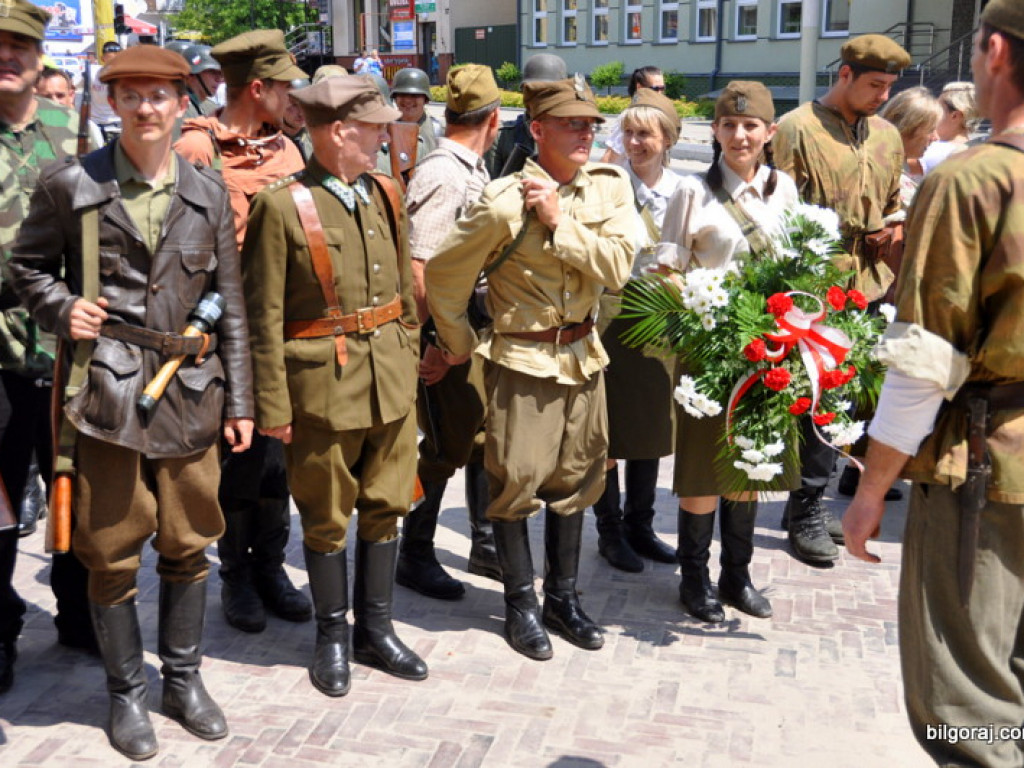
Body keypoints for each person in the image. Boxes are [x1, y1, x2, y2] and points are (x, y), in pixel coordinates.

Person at [9, 44, 253, 760]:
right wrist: (61, 307)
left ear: (183, 104)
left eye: (160, 96)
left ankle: (182, 679)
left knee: (188, 540)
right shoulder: (70, 184)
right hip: (106, 395)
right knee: (112, 551)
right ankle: (127, 697)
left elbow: (231, 303)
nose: (147, 109)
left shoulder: (208, 191)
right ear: (114, 105)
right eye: (133, 96)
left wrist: (244, 400)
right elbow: (27, 267)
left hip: (191, 393)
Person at [843, 3, 1024, 765]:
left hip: (991, 465)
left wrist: (870, 487)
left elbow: (926, 358)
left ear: (992, 52)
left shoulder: (975, 180)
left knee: (971, 708)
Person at [426, 75, 635, 660]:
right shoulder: (502, 201)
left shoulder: (610, 189)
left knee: (577, 483)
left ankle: (562, 600)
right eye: (571, 124)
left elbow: (619, 267)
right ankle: (520, 604)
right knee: (515, 483)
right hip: (522, 359)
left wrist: (560, 224)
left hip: (584, 358)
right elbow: (444, 276)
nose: (585, 134)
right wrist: (460, 344)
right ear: (537, 129)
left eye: (591, 124)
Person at [242, 75, 428, 696]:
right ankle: (332, 636)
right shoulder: (281, 205)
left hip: (391, 384)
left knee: (387, 506)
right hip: (322, 388)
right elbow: (262, 315)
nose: (385, 136)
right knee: (325, 519)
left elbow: (403, 291)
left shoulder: (385, 192)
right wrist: (272, 403)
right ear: (340, 130)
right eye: (374, 127)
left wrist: (407, 356)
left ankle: (377, 629)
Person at [175, 30, 312, 635]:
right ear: (257, 88)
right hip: (226, 332)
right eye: (284, 87)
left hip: (286, 331)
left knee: (277, 460)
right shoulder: (198, 150)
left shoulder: (288, 151)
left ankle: (271, 566)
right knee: (239, 460)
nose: (291, 98)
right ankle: (236, 575)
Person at [657, 82, 800, 622]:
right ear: (714, 131)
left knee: (748, 467)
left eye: (750, 126)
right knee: (701, 472)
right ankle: (693, 579)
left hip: (767, 354)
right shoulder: (692, 192)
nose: (739, 135)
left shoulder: (785, 190)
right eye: (728, 125)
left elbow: (798, 265)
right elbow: (668, 271)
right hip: (709, 353)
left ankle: (736, 577)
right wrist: (702, 315)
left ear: (769, 133)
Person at [772, 34, 910, 565]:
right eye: (874, 85)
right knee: (813, 398)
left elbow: (893, 204)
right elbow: (780, 211)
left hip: (870, 285)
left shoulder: (888, 136)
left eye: (889, 87)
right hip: (815, 285)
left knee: (848, 403)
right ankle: (803, 508)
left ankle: (812, 500)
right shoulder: (796, 129)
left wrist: (893, 239)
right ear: (846, 74)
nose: (882, 96)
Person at [0, 0, 96, 695]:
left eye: (20, 48)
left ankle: (76, 611)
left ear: (39, 59)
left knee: (75, 487)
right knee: (0, 505)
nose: (8, 58)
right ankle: (0, 630)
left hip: (66, 352)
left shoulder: (70, 133)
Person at [397, 64, 503, 600]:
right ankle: (413, 551)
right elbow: (422, 269)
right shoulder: (447, 173)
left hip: (465, 333)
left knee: (480, 436)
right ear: (495, 119)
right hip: (444, 338)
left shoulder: (470, 168)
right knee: (439, 448)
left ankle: (484, 544)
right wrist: (434, 347)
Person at [591, 89, 683, 573]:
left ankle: (640, 526)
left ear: (667, 138)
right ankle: (609, 531)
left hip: (658, 324)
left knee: (650, 429)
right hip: (609, 319)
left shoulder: (684, 191)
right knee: (607, 434)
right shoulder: (607, 185)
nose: (634, 142)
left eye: (645, 133)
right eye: (628, 132)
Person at [485, 53, 566, 178]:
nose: (539, 98)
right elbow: (490, 189)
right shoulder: (504, 137)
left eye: (547, 92)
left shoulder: (570, 135)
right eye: (532, 91)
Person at [877, 86, 942, 210]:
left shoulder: (893, 172)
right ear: (909, 127)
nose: (936, 137)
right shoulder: (885, 178)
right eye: (931, 130)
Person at [600, 66, 666, 164]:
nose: (660, 93)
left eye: (662, 88)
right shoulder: (630, 117)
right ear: (639, 88)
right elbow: (610, 157)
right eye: (655, 89)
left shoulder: (659, 114)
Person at [920, 81, 979, 174]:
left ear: (955, 116)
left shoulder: (938, 152)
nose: (933, 112)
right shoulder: (975, 150)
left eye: (938, 108)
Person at [391, 67, 441, 156]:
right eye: (402, 94)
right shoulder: (385, 131)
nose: (408, 100)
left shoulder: (439, 131)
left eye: (415, 95)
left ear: (425, 99)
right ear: (395, 98)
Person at [89, 41, 121, 141]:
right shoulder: (92, 73)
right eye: (110, 60)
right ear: (103, 58)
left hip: (117, 126)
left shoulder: (125, 77)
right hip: (95, 126)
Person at [182, 44, 223, 118]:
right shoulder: (177, 110)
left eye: (220, 74)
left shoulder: (211, 107)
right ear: (191, 75)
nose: (218, 79)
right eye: (212, 72)